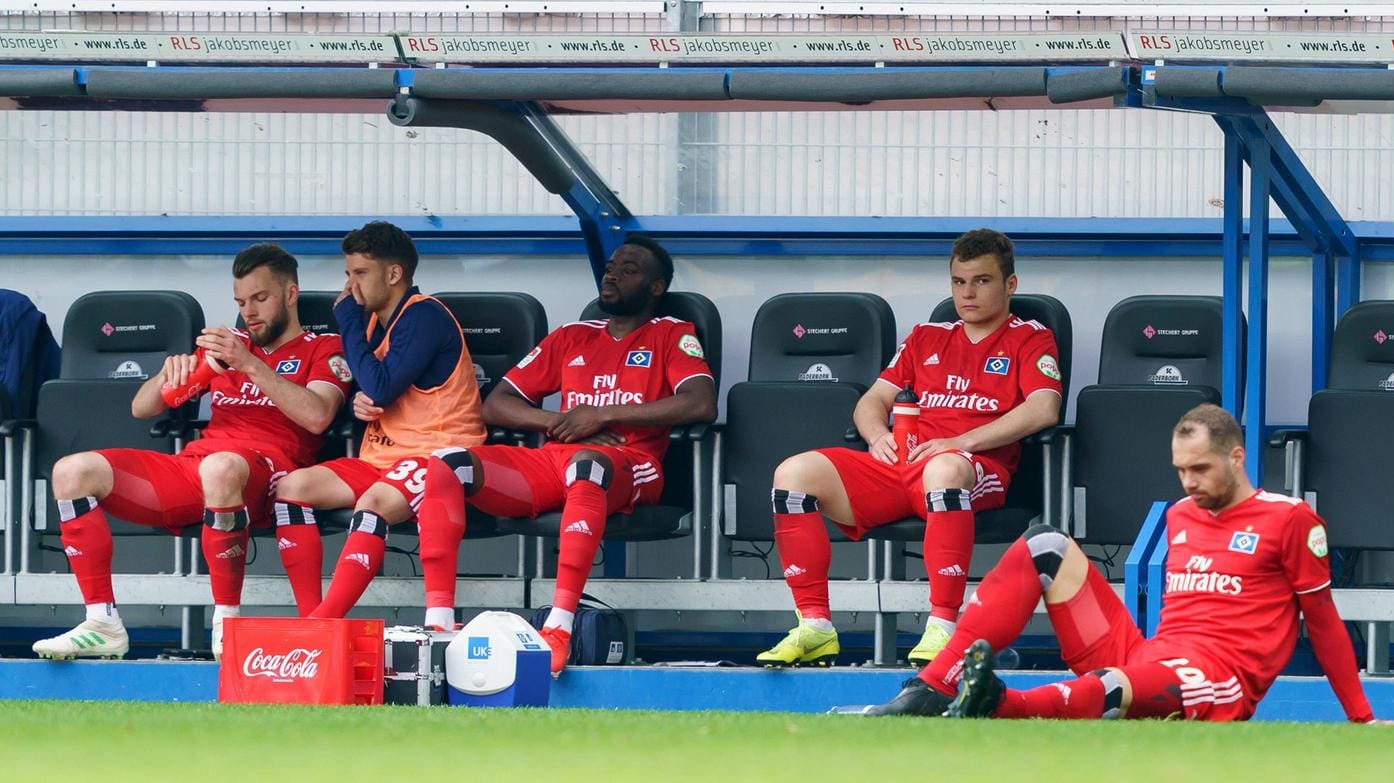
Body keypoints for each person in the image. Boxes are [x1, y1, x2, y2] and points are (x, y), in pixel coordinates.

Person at [864, 403, 1383, 723]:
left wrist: (1360, 717)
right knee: (1044, 544)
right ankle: (932, 688)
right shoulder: (1180, 514)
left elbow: (1323, 621)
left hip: (1216, 681)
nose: (1188, 482)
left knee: (1114, 688)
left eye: (1200, 468)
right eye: (1180, 470)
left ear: (1237, 458)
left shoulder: (1289, 519)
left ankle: (999, 704)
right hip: (1146, 653)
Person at [758, 228, 1062, 668]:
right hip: (903, 464)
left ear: (1010, 284)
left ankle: (943, 628)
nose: (968, 293)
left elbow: (1044, 409)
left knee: (944, 470)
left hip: (972, 467)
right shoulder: (928, 335)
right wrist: (877, 435)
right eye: (959, 282)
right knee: (793, 475)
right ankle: (815, 628)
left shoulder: (1031, 337)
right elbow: (872, 400)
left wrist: (959, 442)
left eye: (981, 281)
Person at [32, 244, 351, 660]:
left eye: (260, 299)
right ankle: (102, 622)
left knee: (220, 469)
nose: (249, 312)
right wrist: (174, 374)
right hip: (197, 467)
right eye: (241, 302)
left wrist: (251, 365)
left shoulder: (322, 348)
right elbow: (142, 407)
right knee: (72, 471)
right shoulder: (226, 347)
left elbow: (317, 417)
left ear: (291, 294)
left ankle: (227, 626)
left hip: (267, 476)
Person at [417, 236, 717, 674]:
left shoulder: (672, 333)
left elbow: (700, 402)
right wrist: (558, 424)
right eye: (611, 266)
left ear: (655, 287)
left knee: (587, 466)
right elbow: (497, 403)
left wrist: (601, 415)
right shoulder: (572, 336)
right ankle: (439, 623)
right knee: (448, 463)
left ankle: (559, 626)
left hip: (632, 465)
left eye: (628, 269)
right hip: (557, 458)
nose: (611, 274)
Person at [271, 221, 485, 619]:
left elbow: (382, 386)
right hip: (381, 458)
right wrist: (356, 404)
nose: (350, 286)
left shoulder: (426, 316)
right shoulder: (373, 320)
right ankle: (308, 613)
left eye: (360, 273)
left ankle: (323, 624)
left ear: (394, 273)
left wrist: (347, 321)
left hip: (437, 458)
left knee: (373, 502)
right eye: (348, 274)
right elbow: (368, 387)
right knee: (291, 487)